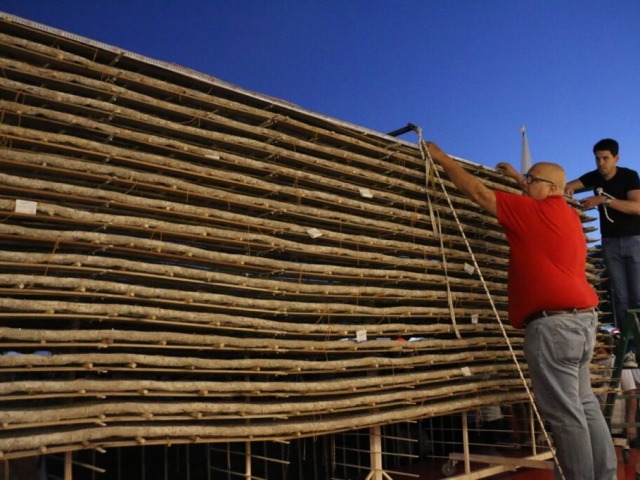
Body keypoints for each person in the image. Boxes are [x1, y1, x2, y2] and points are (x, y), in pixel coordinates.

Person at [425, 142, 617, 480]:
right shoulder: (566, 215)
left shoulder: (532, 214)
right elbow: (538, 193)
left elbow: (479, 193)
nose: (525, 183)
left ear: (552, 188)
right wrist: (518, 177)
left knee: (565, 415)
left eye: (531, 180)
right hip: (583, 322)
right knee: (585, 406)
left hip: (553, 328)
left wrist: (441, 158)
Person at [565, 139, 640, 357]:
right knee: (619, 296)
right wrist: (567, 193)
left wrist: (603, 201)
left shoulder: (628, 176)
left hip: (634, 240)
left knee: (637, 295)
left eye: (605, 158)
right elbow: (568, 186)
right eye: (597, 158)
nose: (601, 163)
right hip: (609, 243)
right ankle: (628, 348)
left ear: (616, 158)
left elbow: (637, 207)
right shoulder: (594, 177)